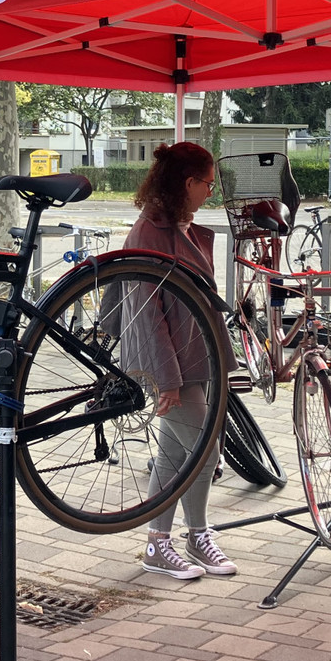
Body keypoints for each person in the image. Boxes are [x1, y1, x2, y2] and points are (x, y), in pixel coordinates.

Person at [123, 141, 237, 580]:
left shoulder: (180, 226)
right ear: (188, 183)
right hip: (168, 360)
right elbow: (146, 315)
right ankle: (193, 535)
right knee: (204, 448)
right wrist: (165, 380)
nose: (211, 192)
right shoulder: (151, 232)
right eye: (208, 183)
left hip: (193, 354)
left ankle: (163, 543)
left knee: (175, 451)